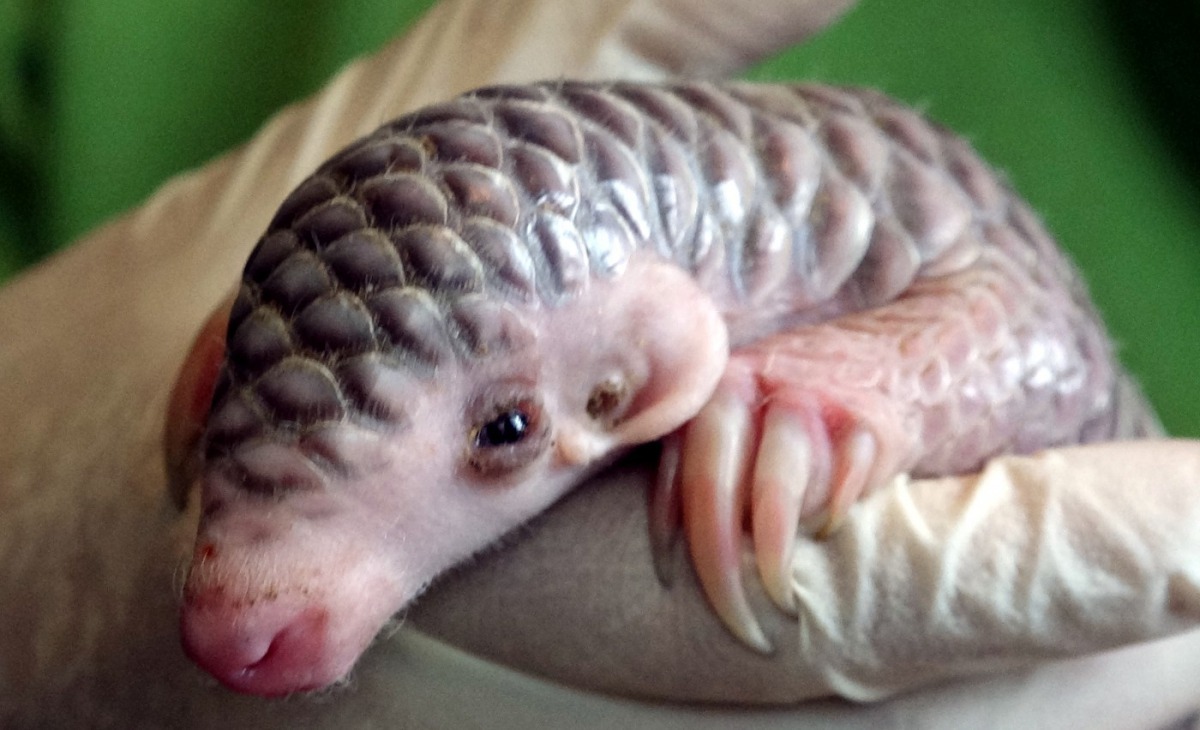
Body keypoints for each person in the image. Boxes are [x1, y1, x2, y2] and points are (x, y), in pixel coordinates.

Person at [1, 0, 1197, 726]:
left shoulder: (912, 235)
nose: (237, 621)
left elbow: (1031, 337)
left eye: (503, 430)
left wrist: (850, 397)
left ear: (644, 367)